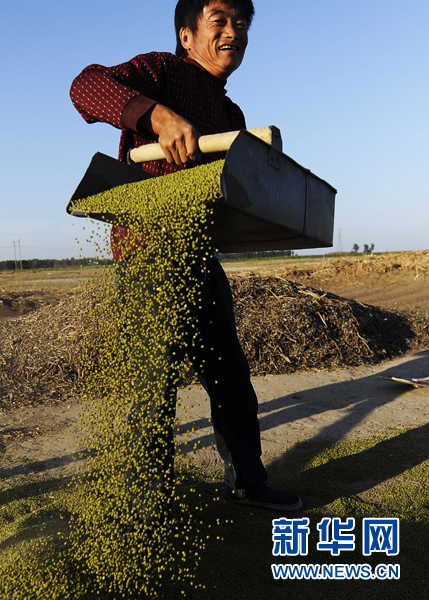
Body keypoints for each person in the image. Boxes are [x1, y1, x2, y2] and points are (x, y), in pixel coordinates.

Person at [70, 0, 302, 513]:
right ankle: (147, 501)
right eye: (219, 21)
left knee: (231, 377)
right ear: (186, 34)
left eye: (242, 24)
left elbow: (235, 194)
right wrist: (155, 115)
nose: (233, 33)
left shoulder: (230, 114)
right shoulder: (160, 71)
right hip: (149, 253)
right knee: (154, 379)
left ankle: (248, 481)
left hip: (198, 254)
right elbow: (84, 86)